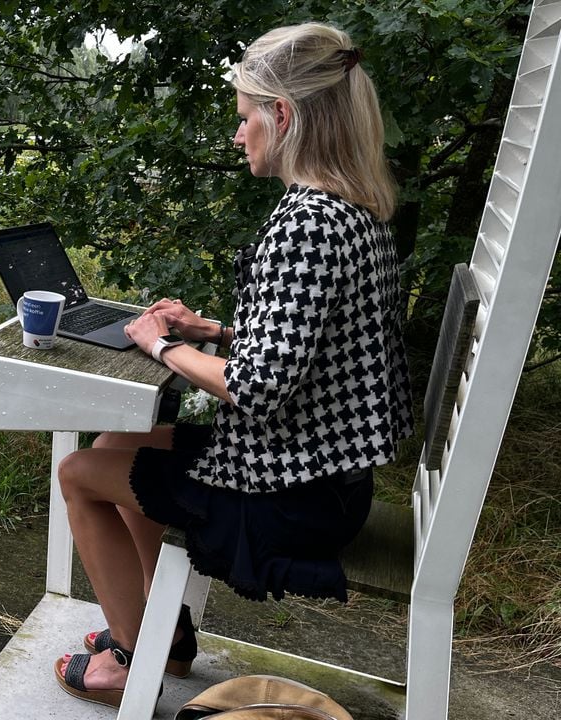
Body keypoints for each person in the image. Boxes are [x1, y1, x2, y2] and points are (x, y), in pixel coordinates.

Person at [53, 22, 413, 708]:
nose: (238, 134)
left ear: (283, 116)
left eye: (246, 118)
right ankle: (165, 635)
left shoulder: (308, 223)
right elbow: (319, 347)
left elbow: (256, 387)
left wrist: (162, 345)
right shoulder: (354, 212)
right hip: (327, 478)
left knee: (77, 473)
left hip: (291, 499)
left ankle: (128, 660)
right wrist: (211, 330)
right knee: (121, 440)